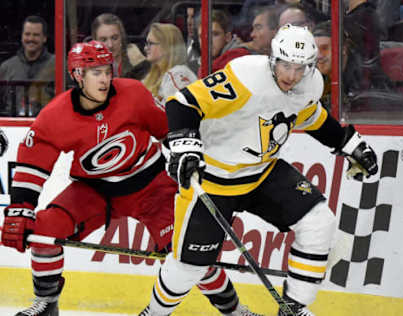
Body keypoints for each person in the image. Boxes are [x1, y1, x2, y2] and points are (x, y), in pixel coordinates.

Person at [0, 41, 259, 316]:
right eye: (95, 72)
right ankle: (47, 304)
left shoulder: (133, 94)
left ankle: (234, 311)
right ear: (77, 75)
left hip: (152, 187)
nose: (104, 78)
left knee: (190, 254)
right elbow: (33, 163)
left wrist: (186, 153)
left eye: (107, 70)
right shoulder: (55, 115)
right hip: (94, 191)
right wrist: (21, 208)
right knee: (44, 231)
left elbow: (170, 130)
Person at [142, 24, 378, 316]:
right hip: (214, 180)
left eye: (300, 68)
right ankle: (153, 313)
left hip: (263, 173)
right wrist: (184, 145)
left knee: (319, 223)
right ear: (273, 59)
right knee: (189, 267)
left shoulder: (310, 83)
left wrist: (348, 142)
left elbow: (310, 115)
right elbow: (183, 103)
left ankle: (293, 308)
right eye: (286, 65)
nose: (291, 76)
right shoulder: (245, 77)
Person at [0, 15, 55, 117]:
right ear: (21, 37)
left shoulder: (58, 65)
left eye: (36, 35)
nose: (31, 38)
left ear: (44, 38)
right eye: (27, 34)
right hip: (12, 129)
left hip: (48, 127)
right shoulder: (6, 67)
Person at [91, 13, 150, 80]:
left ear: (121, 37)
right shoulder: (88, 68)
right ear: (95, 42)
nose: (110, 45)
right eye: (103, 40)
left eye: (114, 38)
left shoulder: (136, 59)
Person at [193, 9, 251, 75]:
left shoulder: (238, 59)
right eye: (202, 36)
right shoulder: (200, 64)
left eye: (215, 34)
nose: (208, 41)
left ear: (227, 37)